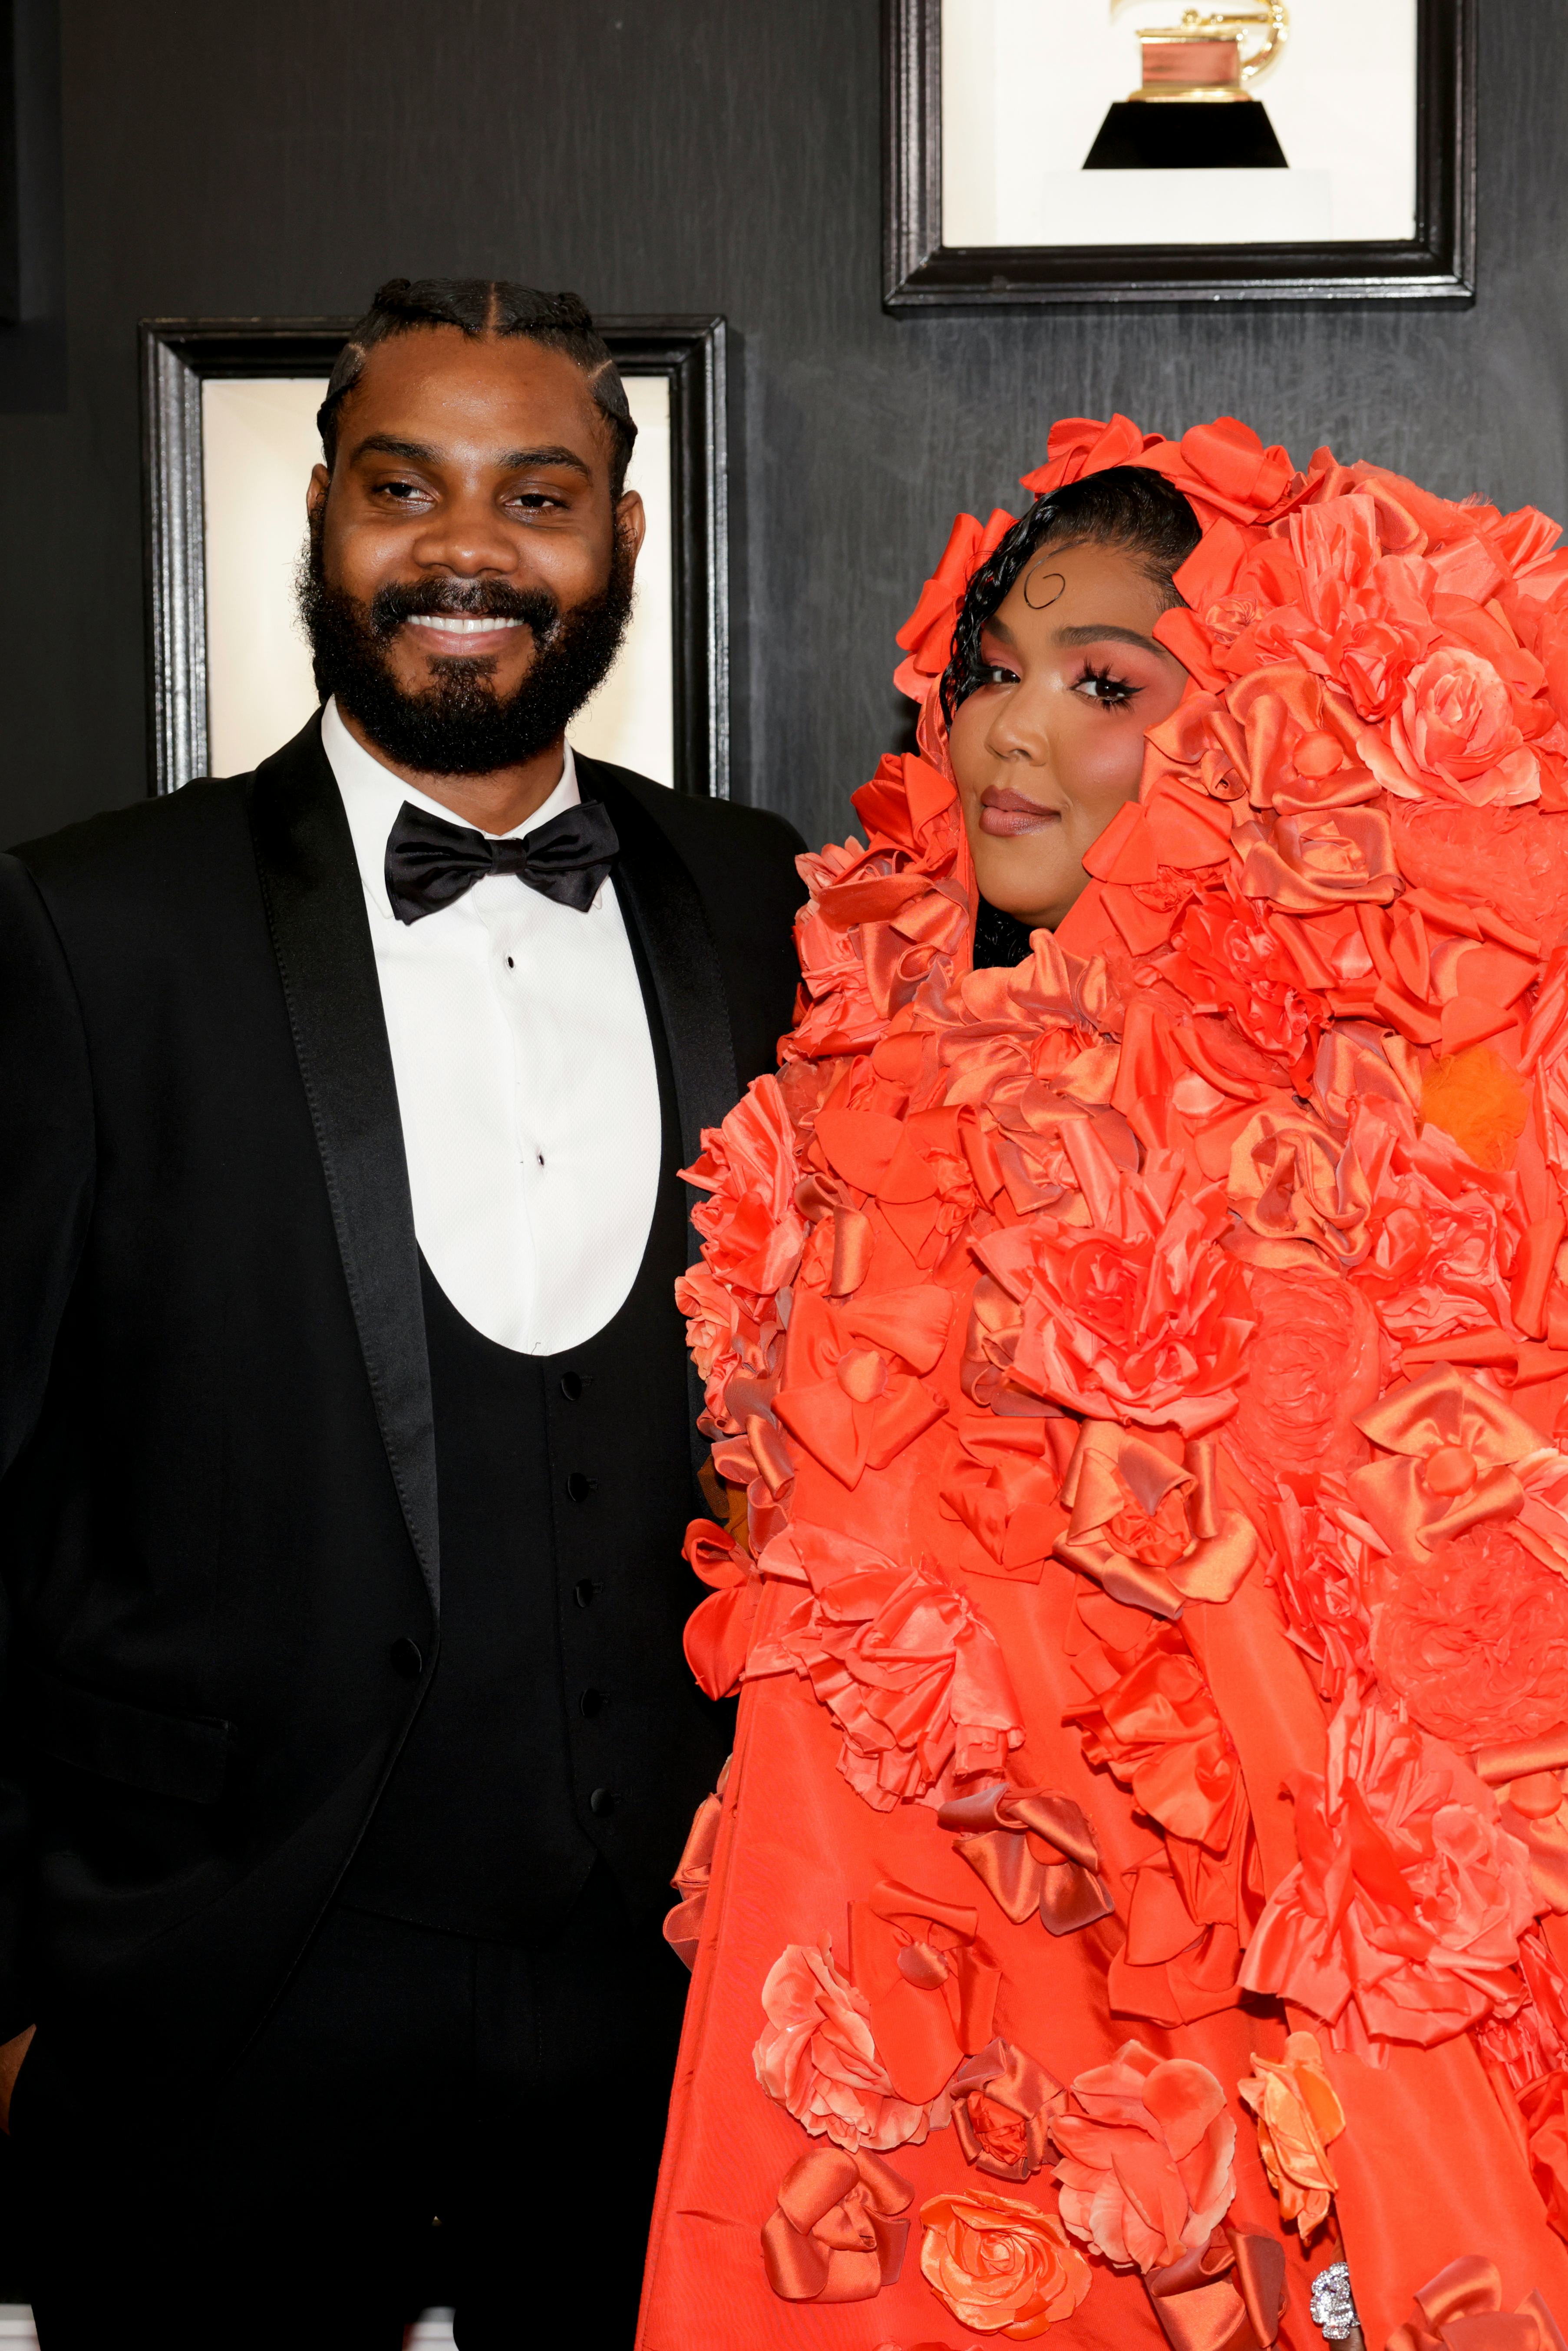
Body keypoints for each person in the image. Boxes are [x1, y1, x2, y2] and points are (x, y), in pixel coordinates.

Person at [638, 415, 1568, 2350]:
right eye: (986, 674)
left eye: (1103, 684)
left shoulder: (1323, 1130)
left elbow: (1359, 1637)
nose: (1007, 733)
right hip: (880, 1961)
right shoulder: (859, 1072)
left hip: (1205, 1979)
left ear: (1256, 732)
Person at [0, 276, 805, 2347]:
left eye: (538, 494)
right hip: (221, 1998)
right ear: (320, 526)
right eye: (400, 488)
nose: (467, 549)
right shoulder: (94, 926)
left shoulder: (771, 905)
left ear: (624, 537)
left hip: (679, 2007)